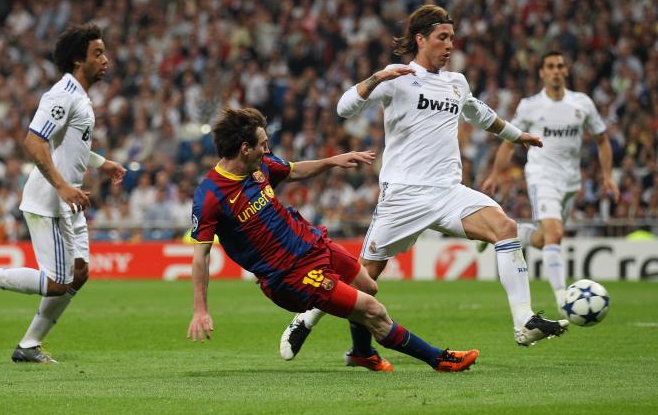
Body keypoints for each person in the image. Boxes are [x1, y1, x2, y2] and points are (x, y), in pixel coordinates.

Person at [280, 5, 568, 368]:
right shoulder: (397, 78)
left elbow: (481, 114)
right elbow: (343, 108)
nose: (449, 45)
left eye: (452, 38)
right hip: (403, 196)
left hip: (448, 192)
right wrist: (376, 78)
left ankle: (524, 321)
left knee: (505, 228)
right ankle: (307, 316)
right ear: (420, 39)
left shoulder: (456, 82)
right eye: (441, 38)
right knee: (363, 278)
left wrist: (518, 135)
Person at [188, 106, 479, 373]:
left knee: (369, 286)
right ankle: (438, 359)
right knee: (374, 312)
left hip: (311, 243)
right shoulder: (211, 196)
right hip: (290, 275)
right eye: (263, 144)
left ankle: (361, 353)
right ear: (244, 148)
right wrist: (200, 309)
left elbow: (293, 170)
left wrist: (333, 161)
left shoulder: (260, 164)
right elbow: (200, 255)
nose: (268, 149)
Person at [0, 24, 126, 363]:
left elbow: (69, 147)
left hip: (68, 201)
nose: (106, 60)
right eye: (97, 53)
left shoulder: (81, 97)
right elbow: (34, 141)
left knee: (79, 273)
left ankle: (28, 345)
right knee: (59, 282)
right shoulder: (62, 95)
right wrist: (61, 186)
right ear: (78, 60)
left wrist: (101, 163)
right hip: (49, 201)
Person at [481, 51, 620, 312]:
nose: (556, 70)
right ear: (542, 72)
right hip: (541, 175)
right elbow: (511, 141)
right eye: (550, 67)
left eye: (560, 66)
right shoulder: (530, 105)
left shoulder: (582, 103)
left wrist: (608, 176)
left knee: (547, 239)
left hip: (571, 180)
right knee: (555, 234)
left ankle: (508, 232)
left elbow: (602, 140)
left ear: (566, 71)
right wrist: (496, 174)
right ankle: (563, 298)